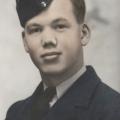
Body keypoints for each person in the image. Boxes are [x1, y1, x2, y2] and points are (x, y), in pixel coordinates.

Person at [5, 0, 120, 120]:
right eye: (36, 30)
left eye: (60, 26)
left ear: (84, 33)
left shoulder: (113, 110)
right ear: (25, 42)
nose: (48, 40)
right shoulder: (16, 114)